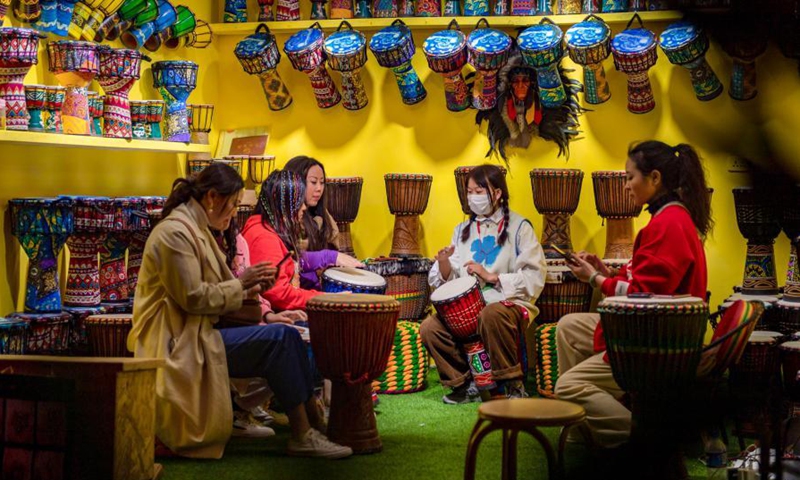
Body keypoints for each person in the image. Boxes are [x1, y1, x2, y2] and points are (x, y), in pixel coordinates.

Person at [128, 163, 351, 459]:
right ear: (211, 198)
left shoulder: (196, 229)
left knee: (287, 336)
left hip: (199, 330)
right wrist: (243, 284)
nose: (234, 213)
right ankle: (304, 434)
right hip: (177, 341)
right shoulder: (174, 233)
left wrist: (254, 287)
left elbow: (218, 292)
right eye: (232, 204)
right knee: (280, 340)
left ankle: (314, 423)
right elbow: (194, 299)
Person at [554, 140, 712, 449]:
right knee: (569, 328)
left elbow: (642, 298)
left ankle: (646, 443)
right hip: (655, 330)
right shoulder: (667, 219)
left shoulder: (668, 225)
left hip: (656, 344)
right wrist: (604, 270)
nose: (626, 186)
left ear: (654, 178)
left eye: (630, 177)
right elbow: (645, 282)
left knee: (568, 386)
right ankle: (585, 431)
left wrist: (596, 279)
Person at [420, 164, 547, 403]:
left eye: (479, 191)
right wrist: (445, 262)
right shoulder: (462, 230)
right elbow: (448, 279)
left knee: (490, 314)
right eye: (469, 192)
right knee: (430, 328)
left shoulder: (519, 227)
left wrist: (493, 277)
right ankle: (465, 384)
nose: (472, 197)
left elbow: (535, 275)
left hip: (508, 304)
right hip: (469, 308)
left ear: (497, 193)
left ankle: (512, 384)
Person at [242, 169, 327, 313]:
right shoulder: (264, 238)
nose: (304, 207)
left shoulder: (265, 228)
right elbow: (280, 295)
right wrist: (325, 299)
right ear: (285, 205)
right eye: (299, 202)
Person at [283, 155, 363, 290]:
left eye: (322, 182)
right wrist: (325, 259)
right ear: (296, 183)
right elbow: (290, 262)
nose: (319, 188)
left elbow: (333, 247)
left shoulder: (323, 215)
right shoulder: (286, 218)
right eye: (313, 182)